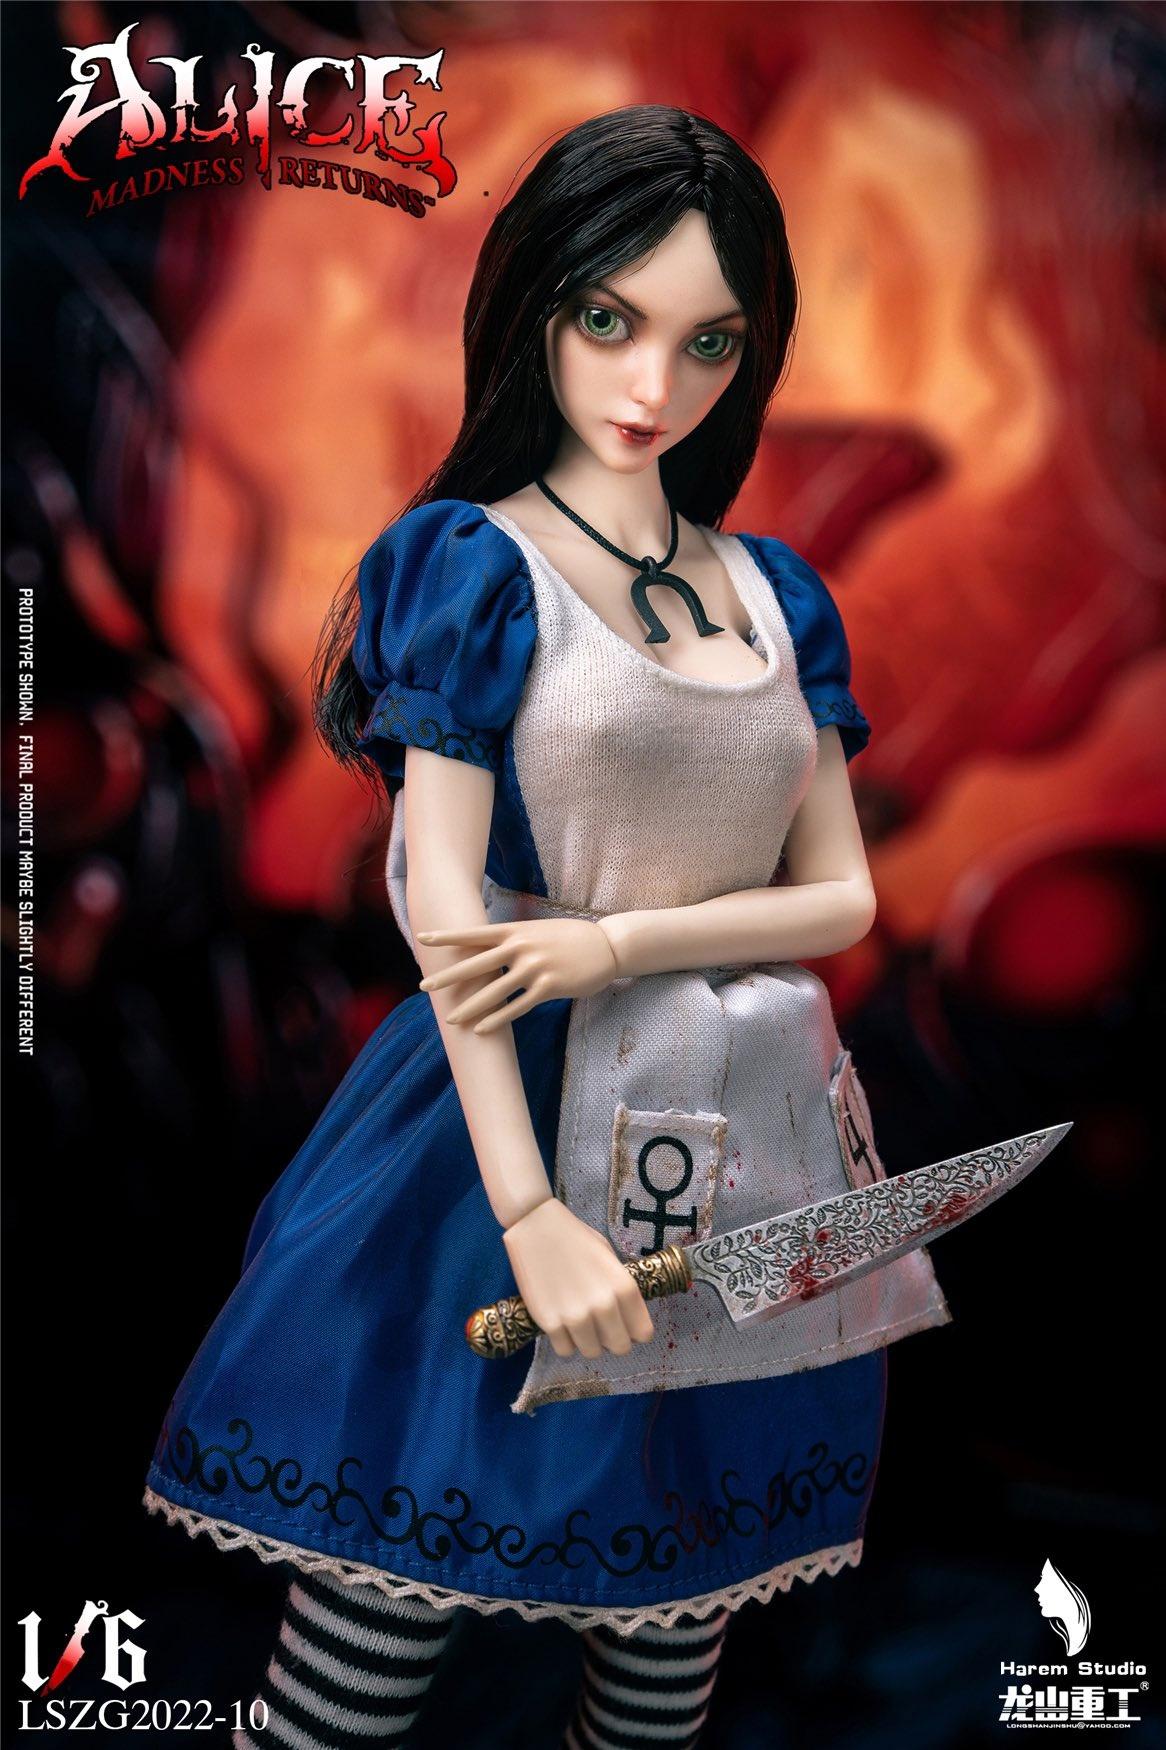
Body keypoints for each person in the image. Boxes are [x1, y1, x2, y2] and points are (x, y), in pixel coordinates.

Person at [143, 105, 950, 1749]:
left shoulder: (775, 596)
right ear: (534, 307)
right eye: (608, 319)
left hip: (741, 1130)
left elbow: (844, 895)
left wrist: (614, 946)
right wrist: (525, 1211)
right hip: (497, 1131)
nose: (653, 382)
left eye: (707, 340)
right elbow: (444, 903)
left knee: (665, 1651)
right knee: (368, 1640)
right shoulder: (474, 569)